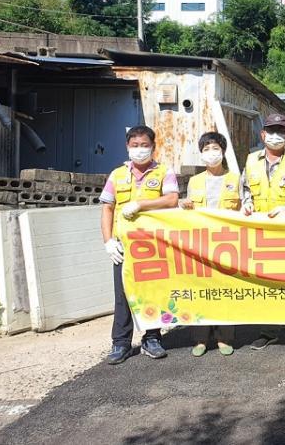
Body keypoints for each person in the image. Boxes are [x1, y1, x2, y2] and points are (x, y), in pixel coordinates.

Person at [101, 125, 180, 365]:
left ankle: (152, 338)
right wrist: (108, 241)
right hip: (123, 246)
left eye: (144, 145)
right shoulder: (117, 175)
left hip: (151, 245)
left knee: (152, 291)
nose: (140, 149)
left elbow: (172, 199)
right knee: (122, 294)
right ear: (127, 146)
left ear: (153, 147)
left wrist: (141, 204)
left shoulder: (164, 172)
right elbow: (107, 208)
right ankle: (121, 343)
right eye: (135, 145)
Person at [241, 113, 285, 350]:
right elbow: (245, 188)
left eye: (280, 131)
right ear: (263, 135)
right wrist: (247, 203)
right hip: (261, 234)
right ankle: (267, 330)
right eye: (271, 131)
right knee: (265, 284)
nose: (275, 136)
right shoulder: (251, 160)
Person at [179, 132, 241, 357]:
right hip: (201, 245)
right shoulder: (195, 181)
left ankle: (224, 337)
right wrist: (183, 205)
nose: (211, 153)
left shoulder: (235, 179)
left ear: (223, 151)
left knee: (225, 290)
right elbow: (187, 214)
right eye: (206, 149)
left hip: (228, 244)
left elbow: (243, 208)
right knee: (201, 290)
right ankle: (200, 338)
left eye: (215, 148)